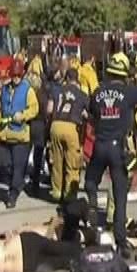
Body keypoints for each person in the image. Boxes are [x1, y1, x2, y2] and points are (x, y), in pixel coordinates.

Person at [86, 52, 137, 259]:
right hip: (118, 149)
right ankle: (121, 240)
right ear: (124, 73)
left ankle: (91, 203)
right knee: (120, 195)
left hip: (100, 146)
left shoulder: (97, 93)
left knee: (90, 180)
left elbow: (90, 114)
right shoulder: (128, 92)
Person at [0, 58, 39, 209]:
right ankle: (16, 184)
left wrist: (23, 115)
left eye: (18, 76)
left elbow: (34, 109)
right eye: (13, 75)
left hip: (21, 136)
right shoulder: (5, 89)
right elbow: (0, 107)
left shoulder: (28, 90)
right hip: (5, 134)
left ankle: (13, 195)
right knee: (5, 165)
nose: (15, 79)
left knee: (18, 167)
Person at [49, 68, 88, 202]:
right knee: (72, 163)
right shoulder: (82, 94)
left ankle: (56, 192)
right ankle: (69, 195)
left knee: (57, 161)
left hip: (55, 125)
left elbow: (49, 109)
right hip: (72, 127)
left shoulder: (57, 91)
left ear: (66, 79)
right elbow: (89, 114)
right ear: (77, 80)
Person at [28, 65, 52, 196]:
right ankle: (38, 182)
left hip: (31, 125)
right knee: (39, 155)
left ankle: (32, 181)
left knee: (29, 153)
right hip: (42, 126)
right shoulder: (44, 94)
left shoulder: (30, 94)